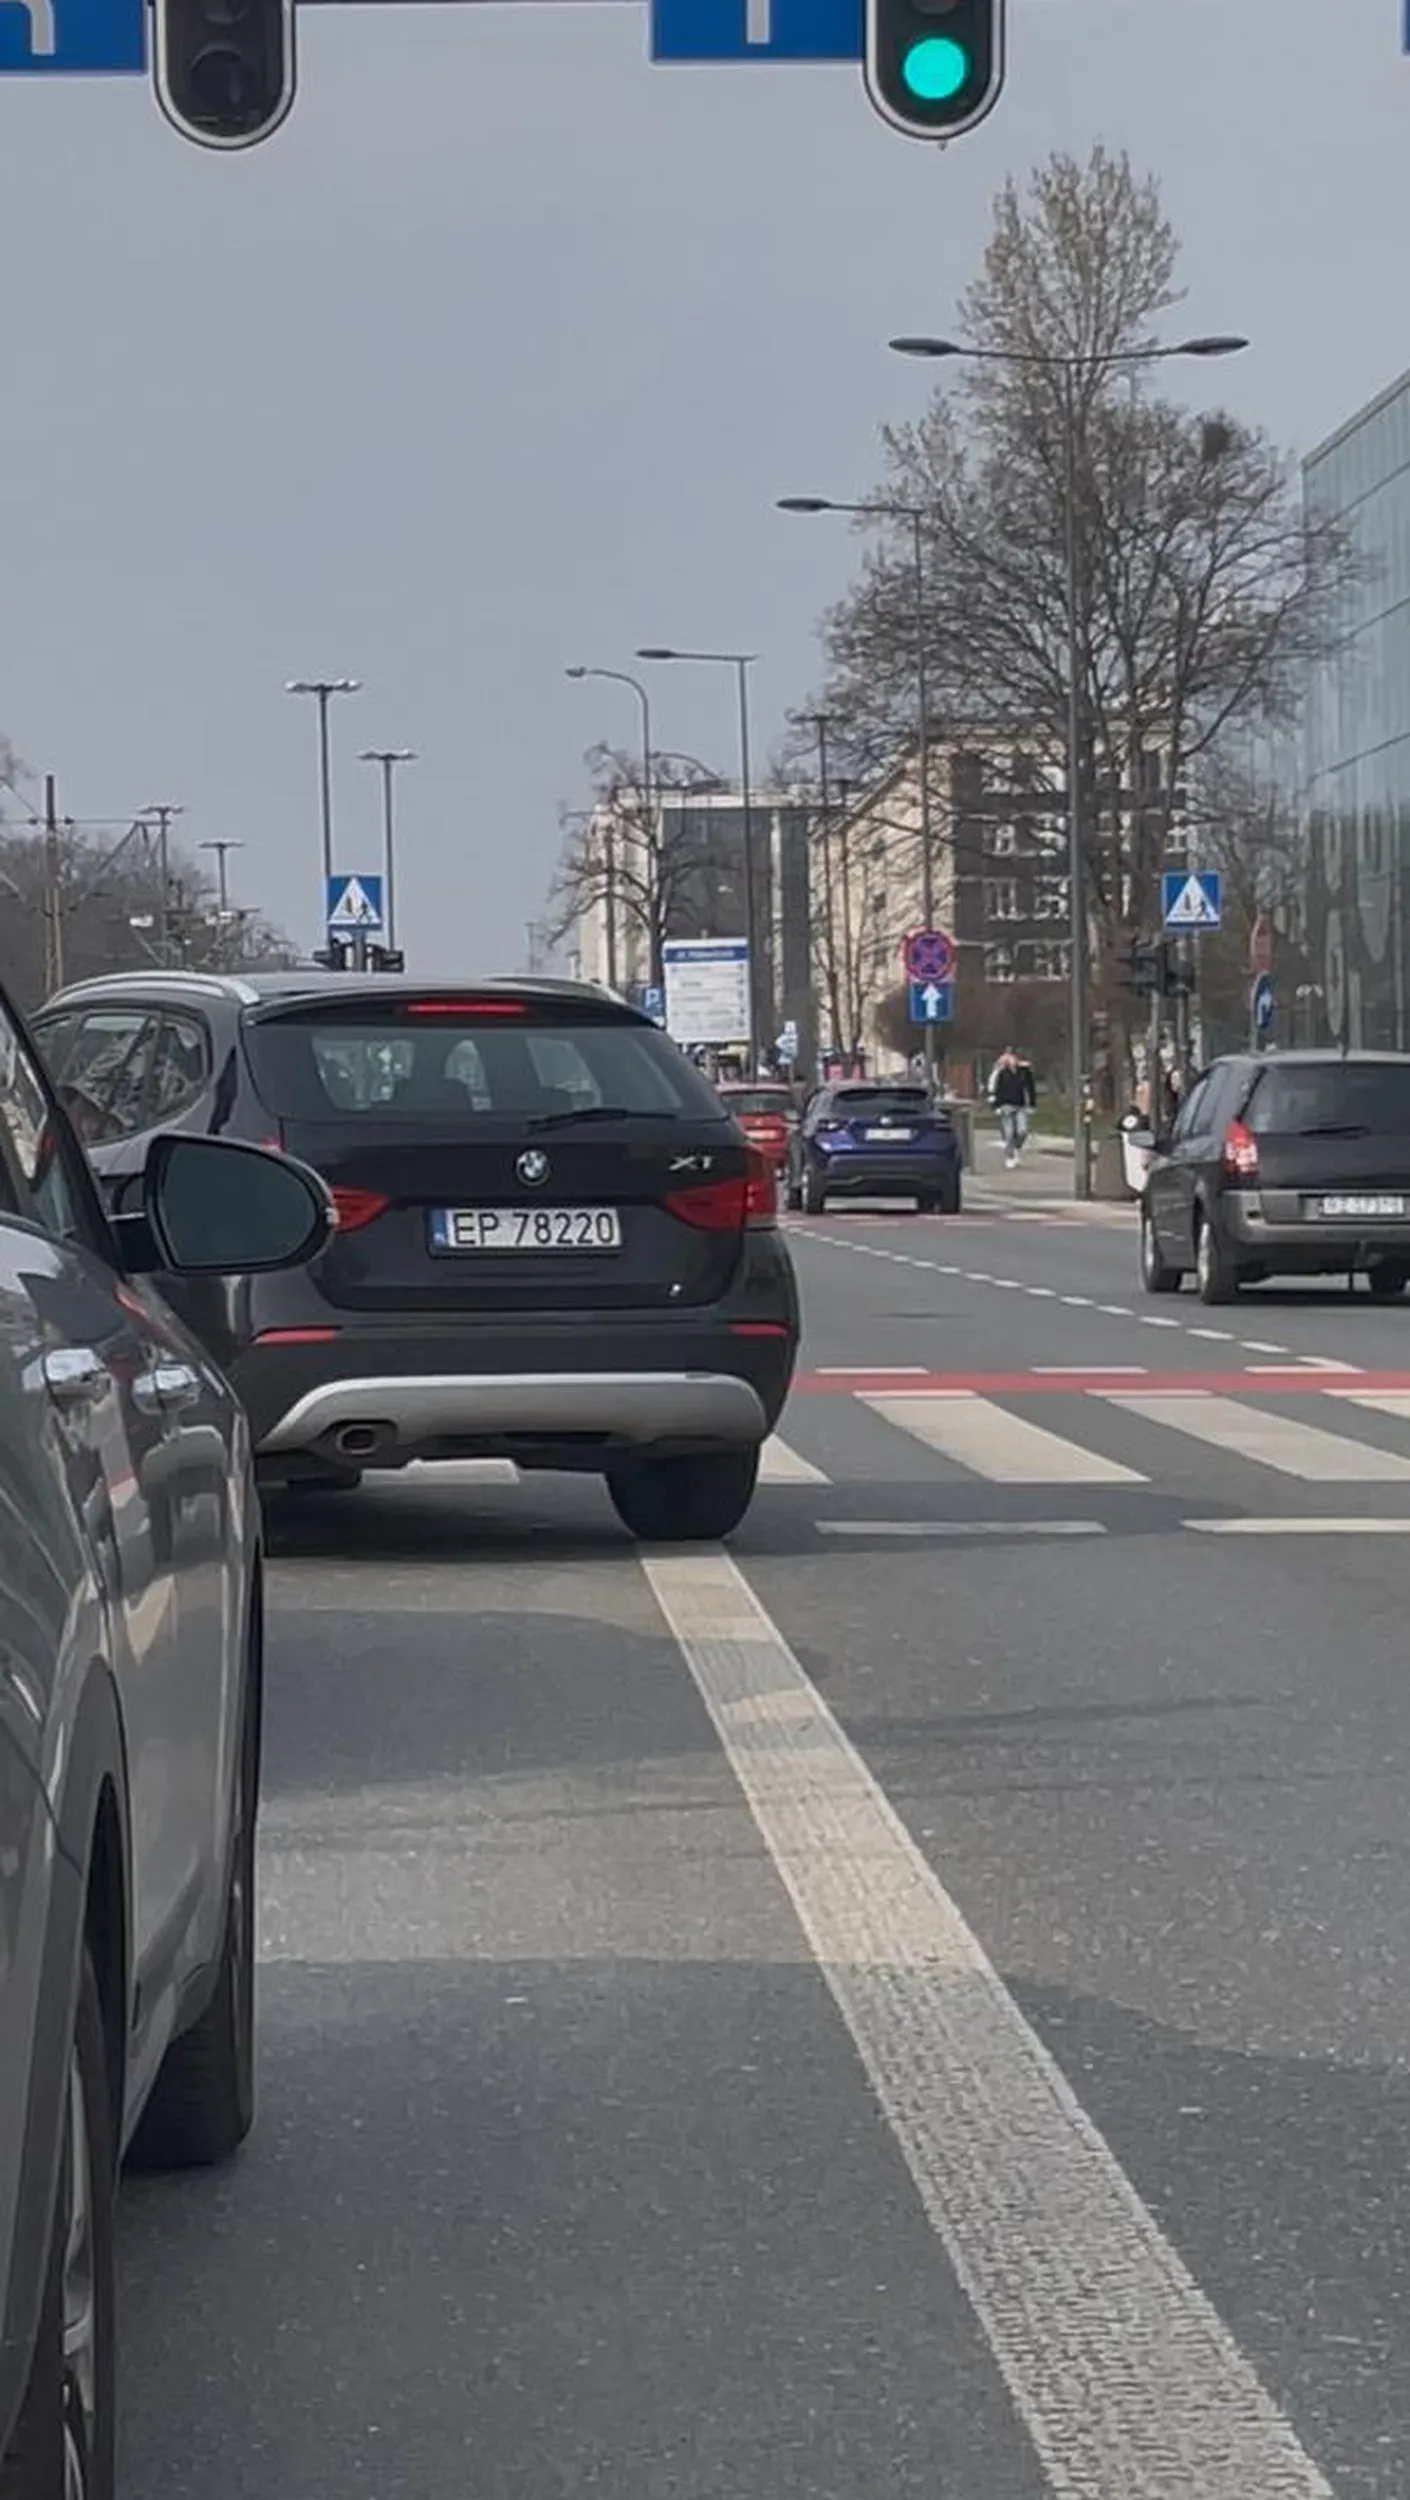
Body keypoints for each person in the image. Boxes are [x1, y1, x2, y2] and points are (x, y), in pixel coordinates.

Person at [988, 1046, 1037, 1170]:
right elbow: (996, 1090)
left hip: (1020, 1106)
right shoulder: (1002, 1073)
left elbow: (1030, 1088)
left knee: (1022, 1131)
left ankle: (1016, 1147)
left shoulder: (1023, 1073)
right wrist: (996, 1106)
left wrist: (1031, 1104)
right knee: (1009, 1133)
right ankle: (1010, 1156)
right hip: (1006, 1106)